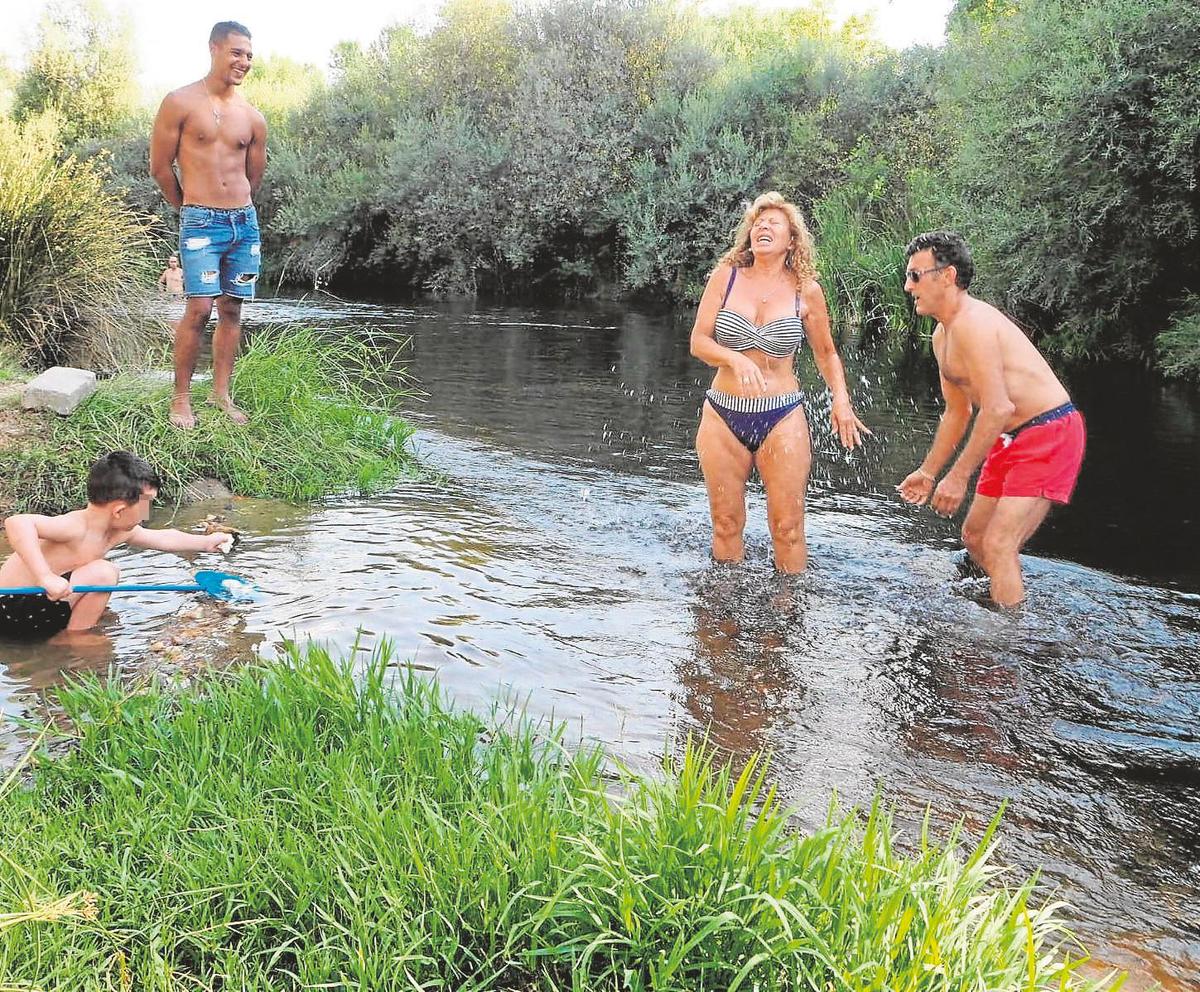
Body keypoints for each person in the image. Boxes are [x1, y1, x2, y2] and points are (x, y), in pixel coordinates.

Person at [896, 231, 1086, 607]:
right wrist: (930, 471)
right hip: (1009, 435)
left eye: (915, 275)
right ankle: (1008, 601)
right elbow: (958, 411)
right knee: (976, 538)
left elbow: (997, 407)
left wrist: (958, 476)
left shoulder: (975, 323)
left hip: (1049, 431)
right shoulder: (942, 336)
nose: (907, 286)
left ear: (946, 276)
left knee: (999, 544)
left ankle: (1010, 642)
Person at [690, 191, 870, 572]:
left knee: (787, 528)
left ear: (792, 240)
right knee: (725, 525)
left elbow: (827, 354)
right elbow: (699, 342)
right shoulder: (726, 277)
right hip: (723, 415)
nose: (763, 226)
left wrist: (841, 401)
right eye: (758, 222)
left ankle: (787, 618)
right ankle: (720, 618)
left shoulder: (807, 291)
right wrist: (733, 358)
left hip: (782, 417)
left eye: (774, 222)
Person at [149, 20, 267, 430]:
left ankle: (221, 395)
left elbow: (254, 177)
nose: (244, 61)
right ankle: (180, 400)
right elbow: (160, 167)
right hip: (200, 219)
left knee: (232, 308)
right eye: (237, 52)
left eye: (249, 55)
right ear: (215, 48)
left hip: (243, 224)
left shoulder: (253, 118)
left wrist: (236, 205)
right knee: (198, 307)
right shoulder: (179, 101)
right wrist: (189, 208)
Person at [0, 452, 233, 639]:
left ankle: (72, 630)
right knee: (104, 573)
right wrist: (44, 577)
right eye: (146, 505)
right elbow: (18, 522)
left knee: (101, 581)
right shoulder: (75, 526)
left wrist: (205, 542)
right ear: (120, 510)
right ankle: (75, 638)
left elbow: (163, 538)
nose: (147, 513)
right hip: (11, 608)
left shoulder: (119, 531)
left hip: (39, 607)